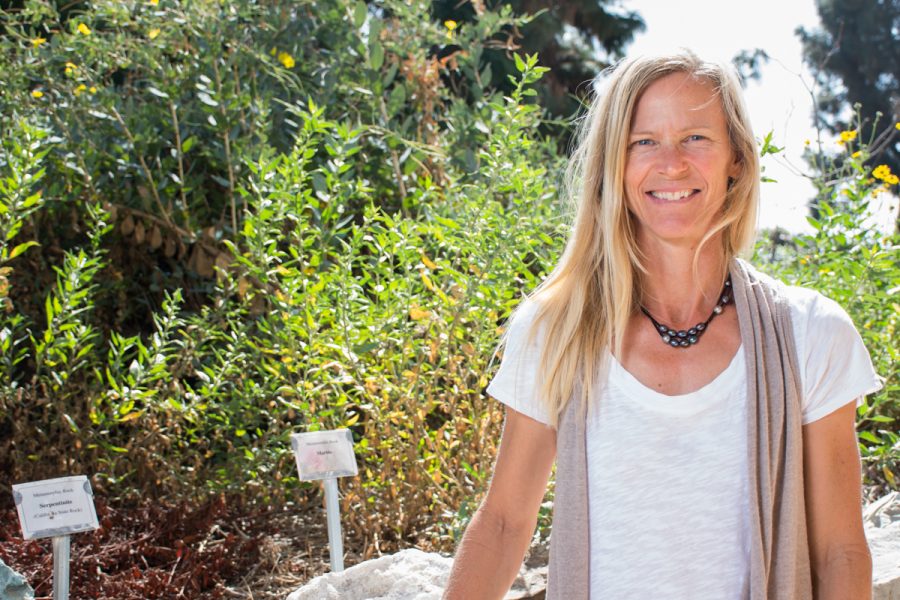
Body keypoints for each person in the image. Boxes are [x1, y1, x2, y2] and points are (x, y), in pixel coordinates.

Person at [443, 50, 882, 600]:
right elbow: (504, 524)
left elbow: (839, 552)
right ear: (614, 165)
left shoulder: (812, 334)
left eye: (696, 137)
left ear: (737, 160)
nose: (670, 163)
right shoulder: (556, 330)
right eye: (642, 141)